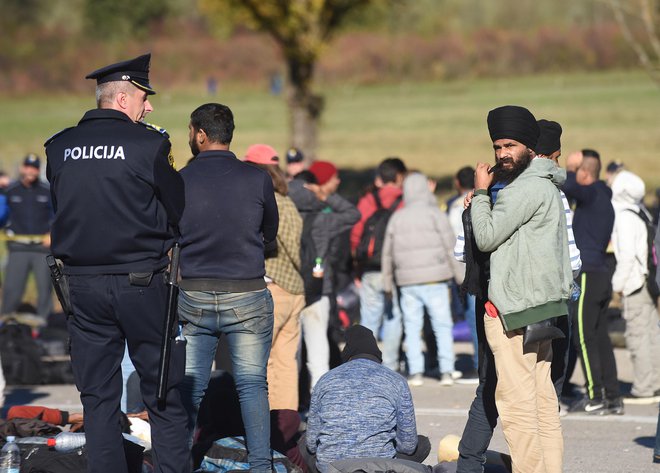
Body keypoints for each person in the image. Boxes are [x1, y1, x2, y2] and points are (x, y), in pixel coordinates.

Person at [45, 53, 190, 473]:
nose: (149, 107)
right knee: (162, 390)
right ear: (124, 99)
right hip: (142, 284)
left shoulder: (58, 147)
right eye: (145, 98)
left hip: (82, 287)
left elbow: (65, 207)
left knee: (97, 398)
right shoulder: (149, 144)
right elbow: (177, 208)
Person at [469, 105, 571, 473]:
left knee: (516, 408)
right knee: (543, 404)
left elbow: (485, 237)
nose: (501, 155)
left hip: (513, 313)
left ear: (529, 146)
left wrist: (481, 194)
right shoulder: (547, 183)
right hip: (542, 310)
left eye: (509, 145)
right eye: (497, 147)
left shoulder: (522, 190)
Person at [177, 103, 278, 472]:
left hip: (195, 292)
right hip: (247, 291)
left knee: (190, 387)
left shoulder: (181, 179)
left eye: (190, 132)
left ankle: (178, 462)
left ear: (201, 135)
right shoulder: (257, 178)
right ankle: (261, 466)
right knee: (252, 385)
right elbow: (271, 233)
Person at [301, 325, 429, 473]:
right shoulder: (396, 381)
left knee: (302, 441)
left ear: (348, 353)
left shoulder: (325, 380)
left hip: (331, 467)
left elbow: (311, 443)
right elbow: (408, 445)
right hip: (379, 467)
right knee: (423, 443)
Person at [381, 171, 464, 386]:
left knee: (411, 326)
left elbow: (387, 253)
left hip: (407, 282)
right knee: (442, 325)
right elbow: (450, 246)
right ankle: (447, 369)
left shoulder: (398, 217)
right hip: (436, 279)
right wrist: (460, 277)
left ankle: (416, 371)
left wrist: (387, 283)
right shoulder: (435, 214)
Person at [243, 143, 306, 413]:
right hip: (294, 290)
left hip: (273, 287)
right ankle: (287, 422)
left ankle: (263, 421)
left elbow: (289, 244)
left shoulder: (266, 201)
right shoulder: (287, 199)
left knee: (261, 361)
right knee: (286, 362)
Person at [289, 161, 360, 390]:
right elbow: (352, 214)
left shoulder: (284, 218)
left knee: (290, 355)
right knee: (318, 355)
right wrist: (325, 196)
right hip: (320, 289)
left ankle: (291, 404)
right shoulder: (324, 220)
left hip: (287, 288)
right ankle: (319, 403)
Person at [562, 149, 622, 414]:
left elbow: (569, 184)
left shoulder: (592, 194)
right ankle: (613, 397)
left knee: (583, 338)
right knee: (600, 338)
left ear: (585, 173)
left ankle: (595, 396)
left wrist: (571, 169)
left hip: (587, 273)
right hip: (601, 275)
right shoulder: (604, 195)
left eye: (578, 171)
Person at [350, 157, 407, 372]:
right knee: (393, 318)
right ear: (399, 176)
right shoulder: (404, 201)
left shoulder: (367, 200)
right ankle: (390, 366)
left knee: (369, 317)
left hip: (369, 267)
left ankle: (364, 363)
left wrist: (357, 263)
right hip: (394, 269)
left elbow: (356, 234)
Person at [610, 169, 660, 403]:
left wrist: (617, 285)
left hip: (634, 284)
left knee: (637, 336)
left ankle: (642, 389)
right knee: (652, 335)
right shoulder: (641, 212)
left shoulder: (623, 216)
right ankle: (655, 383)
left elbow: (628, 255)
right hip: (649, 282)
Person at [1, 154, 53, 319]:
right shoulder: (9, 191)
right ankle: (6, 323)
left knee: (45, 289)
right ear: (23, 168)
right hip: (18, 248)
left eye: (35, 168)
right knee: (12, 289)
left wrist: (52, 234)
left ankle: (46, 325)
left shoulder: (47, 191)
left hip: (42, 249)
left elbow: (57, 216)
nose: (31, 171)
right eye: (28, 167)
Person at [447, 166, 478, 382]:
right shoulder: (484, 202)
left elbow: (452, 243)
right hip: (481, 267)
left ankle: (478, 365)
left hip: (464, 270)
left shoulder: (455, 207)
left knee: (472, 317)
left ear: (458, 183)